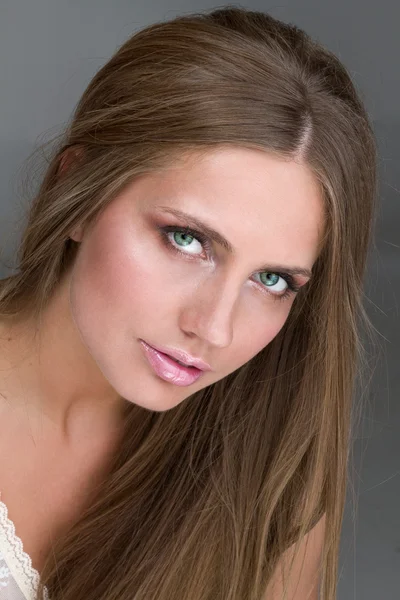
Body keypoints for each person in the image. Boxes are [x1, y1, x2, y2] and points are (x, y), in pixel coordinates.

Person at [0, 6, 377, 600]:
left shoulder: (271, 488)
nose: (215, 329)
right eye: (188, 239)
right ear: (75, 191)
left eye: (273, 280)